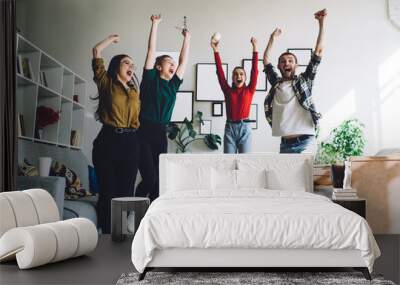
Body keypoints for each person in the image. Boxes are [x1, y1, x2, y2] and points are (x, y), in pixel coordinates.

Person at [135, 14, 190, 201]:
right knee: (149, 178)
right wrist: (155, 24)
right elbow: (151, 51)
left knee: (159, 180)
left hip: (160, 133)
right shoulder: (150, 80)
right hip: (143, 130)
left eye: (173, 64)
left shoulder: (173, 85)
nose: (173, 65)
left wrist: (187, 39)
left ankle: (152, 214)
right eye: (169, 63)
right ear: (159, 67)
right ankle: (134, 211)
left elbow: (183, 61)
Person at [91, 34, 141, 234]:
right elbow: (96, 51)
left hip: (130, 142)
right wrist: (111, 39)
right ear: (116, 67)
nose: (131, 66)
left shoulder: (134, 91)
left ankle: (120, 236)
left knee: (126, 192)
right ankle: (107, 236)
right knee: (108, 191)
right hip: (108, 142)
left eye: (133, 65)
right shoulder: (106, 83)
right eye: (126, 63)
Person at [263, 9, 327, 153]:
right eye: (283, 61)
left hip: (305, 143)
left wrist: (322, 23)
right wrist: (272, 38)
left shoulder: (304, 81)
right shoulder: (276, 84)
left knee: (307, 176)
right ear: (279, 66)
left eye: (290, 61)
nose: (287, 63)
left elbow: (318, 51)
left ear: (296, 65)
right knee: (285, 177)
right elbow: (266, 60)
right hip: (285, 144)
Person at [211, 36, 258, 153]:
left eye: (241, 74)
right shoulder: (227, 90)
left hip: (245, 128)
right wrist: (215, 50)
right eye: (236, 74)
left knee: (245, 161)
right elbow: (220, 72)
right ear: (232, 78)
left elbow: (254, 71)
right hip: (230, 128)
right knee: (228, 162)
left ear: (245, 77)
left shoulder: (250, 90)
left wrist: (255, 47)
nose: (239, 76)